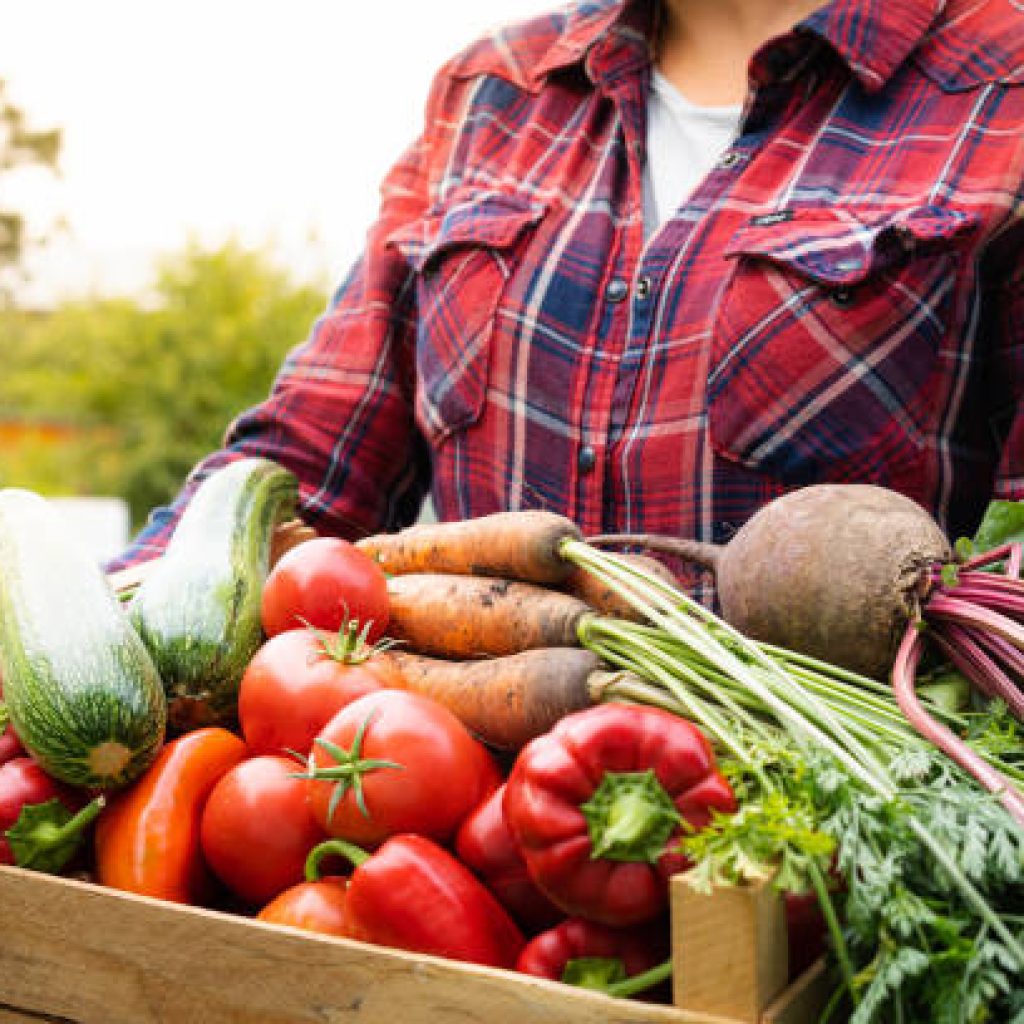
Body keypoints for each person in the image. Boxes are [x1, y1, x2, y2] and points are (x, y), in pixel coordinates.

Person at [109, 0, 1024, 585]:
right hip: (455, 840)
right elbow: (310, 460)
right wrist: (102, 626)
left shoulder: (1003, 93)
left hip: (822, 850)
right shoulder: (493, 93)